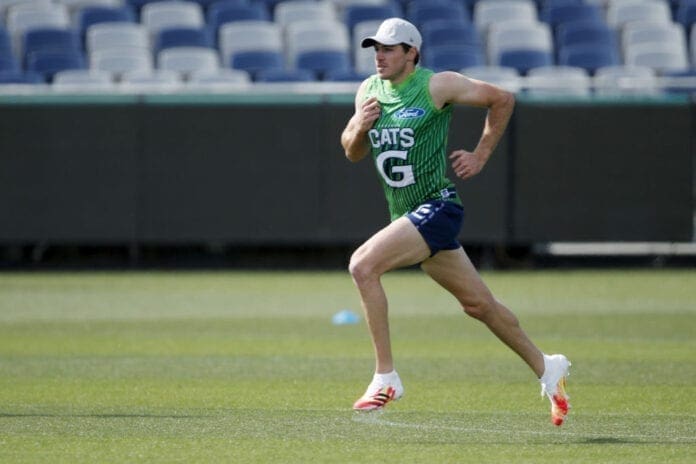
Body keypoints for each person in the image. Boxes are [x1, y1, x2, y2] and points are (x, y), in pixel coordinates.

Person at [339, 18, 572, 426]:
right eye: (376, 47)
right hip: (407, 213)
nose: (380, 55)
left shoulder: (436, 84)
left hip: (436, 207)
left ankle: (386, 377)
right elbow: (352, 152)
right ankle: (547, 366)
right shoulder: (368, 90)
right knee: (479, 305)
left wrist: (480, 155)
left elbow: (502, 98)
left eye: (390, 48)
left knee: (363, 265)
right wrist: (359, 125)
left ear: (412, 52)